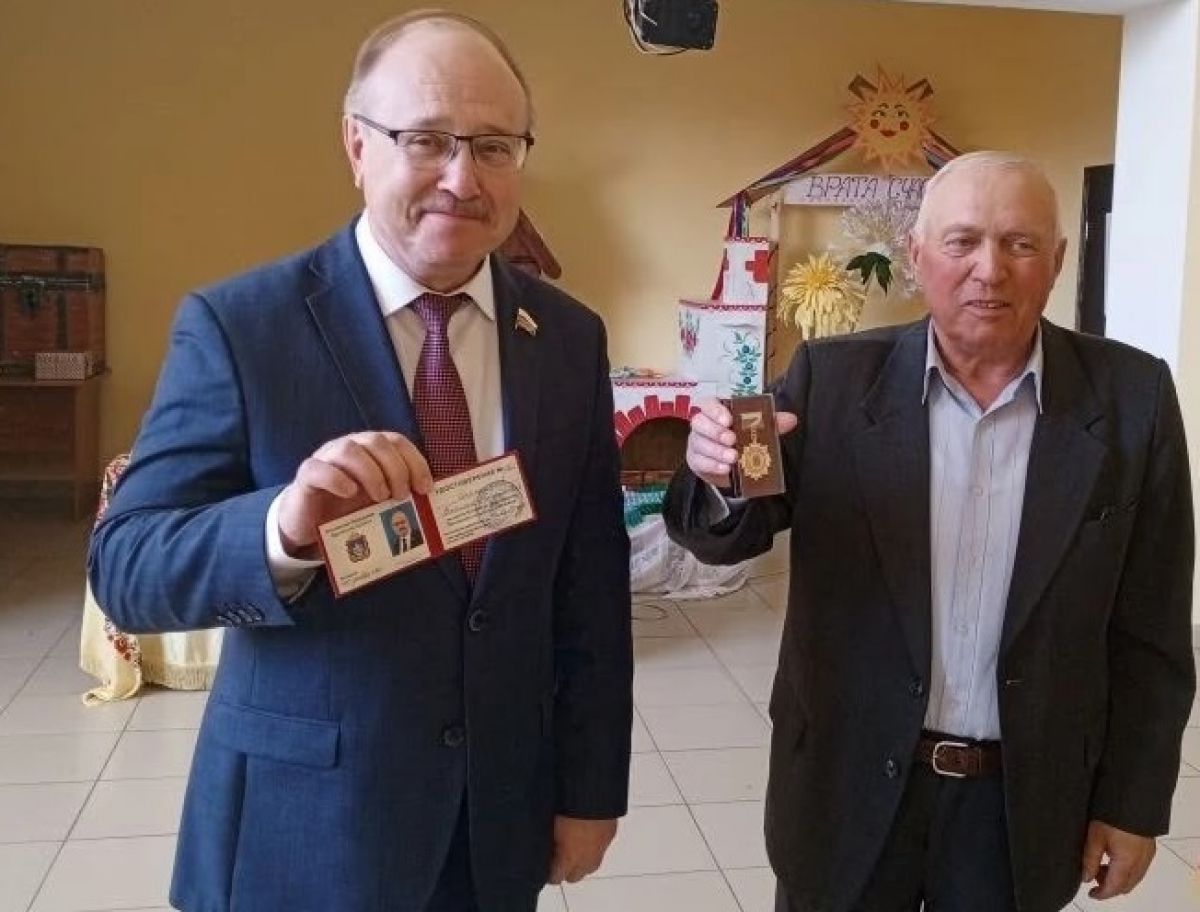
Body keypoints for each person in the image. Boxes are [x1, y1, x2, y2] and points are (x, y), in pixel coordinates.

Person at [89, 11, 632, 912]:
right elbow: (127, 567)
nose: (462, 179)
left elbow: (591, 583)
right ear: (356, 144)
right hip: (305, 827)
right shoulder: (243, 326)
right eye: (427, 140)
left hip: (494, 822)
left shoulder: (567, 339)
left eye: (494, 147)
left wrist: (590, 789)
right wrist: (283, 530)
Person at [665, 151, 1195, 912]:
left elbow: (1153, 631)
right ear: (916, 256)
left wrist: (1133, 804)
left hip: (1019, 805)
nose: (990, 269)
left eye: (1019, 243)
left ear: (1057, 261)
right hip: (847, 788)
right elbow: (728, 535)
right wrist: (716, 473)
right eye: (962, 241)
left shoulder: (1131, 401)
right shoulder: (831, 381)